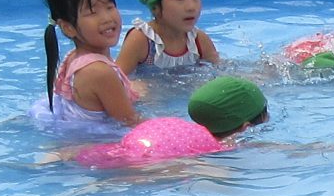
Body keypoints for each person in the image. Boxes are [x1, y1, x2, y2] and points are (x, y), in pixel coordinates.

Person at [71, 73, 266, 171]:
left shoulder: (172, 123)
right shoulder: (221, 146)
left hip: (111, 149)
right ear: (245, 126)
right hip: (147, 165)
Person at [34, 0, 142, 139]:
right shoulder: (99, 72)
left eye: (109, 7)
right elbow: (131, 122)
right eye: (93, 12)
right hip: (92, 147)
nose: (107, 18)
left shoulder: (75, 58)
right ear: (68, 28)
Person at [115, 0, 218, 78]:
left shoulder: (198, 41)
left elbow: (221, 72)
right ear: (155, 7)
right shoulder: (141, 41)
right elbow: (115, 81)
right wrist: (133, 86)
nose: (191, 7)